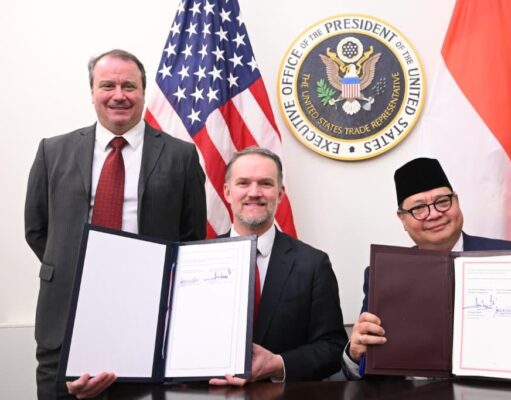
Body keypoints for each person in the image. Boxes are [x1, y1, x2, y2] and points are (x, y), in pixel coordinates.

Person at [24, 49, 207, 399]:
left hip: (147, 324)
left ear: (143, 92)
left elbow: (191, 236)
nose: (119, 95)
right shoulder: (52, 151)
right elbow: (37, 229)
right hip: (64, 321)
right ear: (92, 91)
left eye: (129, 86)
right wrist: (79, 272)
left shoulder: (181, 156)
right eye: (108, 85)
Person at [341, 157, 511, 379]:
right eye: (418, 208)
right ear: (402, 219)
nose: (434, 214)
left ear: (457, 201)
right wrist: (355, 353)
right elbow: (368, 367)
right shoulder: (384, 274)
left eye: (442, 201)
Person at [208, 146, 348, 385]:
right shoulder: (195, 258)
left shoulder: (313, 264)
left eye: (265, 183)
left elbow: (333, 348)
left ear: (280, 194)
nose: (254, 193)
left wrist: (278, 364)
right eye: (243, 183)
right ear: (227, 192)